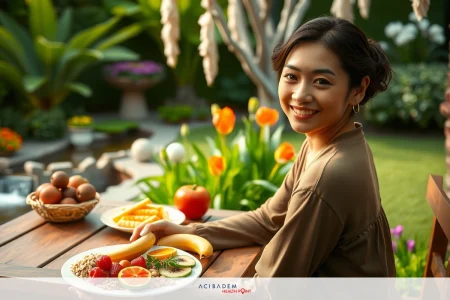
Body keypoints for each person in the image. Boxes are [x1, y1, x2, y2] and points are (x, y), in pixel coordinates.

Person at [131, 16, 396, 277]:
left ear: (358, 90)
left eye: (321, 82)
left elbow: (274, 284)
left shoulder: (328, 175)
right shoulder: (331, 142)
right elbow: (268, 219)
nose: (300, 95)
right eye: (291, 76)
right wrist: (189, 232)